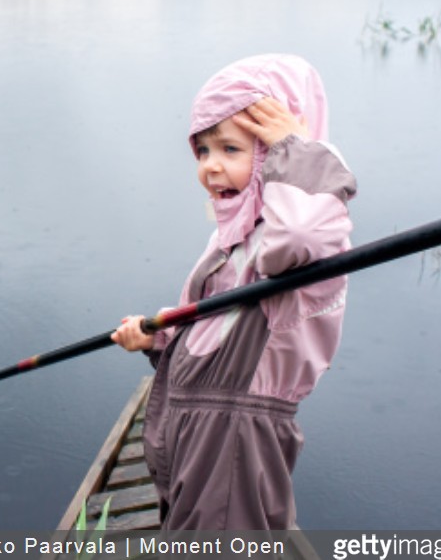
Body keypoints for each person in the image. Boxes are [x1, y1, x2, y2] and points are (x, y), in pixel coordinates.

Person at [111, 54, 357, 530]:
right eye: (203, 151)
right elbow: (216, 322)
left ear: (272, 155)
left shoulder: (305, 240)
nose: (210, 167)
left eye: (230, 149)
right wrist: (160, 337)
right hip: (200, 430)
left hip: (234, 440)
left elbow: (301, 236)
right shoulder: (237, 235)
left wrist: (297, 148)